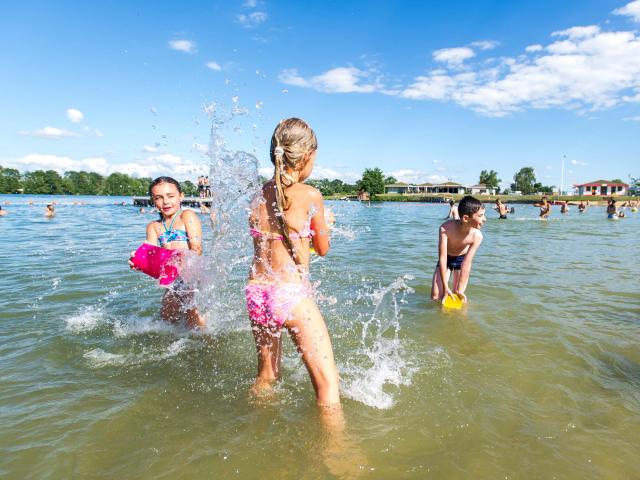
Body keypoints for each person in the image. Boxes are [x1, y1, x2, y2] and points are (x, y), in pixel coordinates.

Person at [246, 117, 340, 412]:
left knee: (267, 375)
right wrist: (325, 227)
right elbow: (322, 249)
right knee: (327, 385)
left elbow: (270, 241)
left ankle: (255, 432)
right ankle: (337, 452)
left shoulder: (256, 195)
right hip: (289, 295)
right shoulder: (311, 195)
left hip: (256, 293)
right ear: (308, 155)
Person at [129, 176, 205, 329]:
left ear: (181, 196)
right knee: (167, 316)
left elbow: (196, 248)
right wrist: (137, 260)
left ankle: (206, 340)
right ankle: (178, 344)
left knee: (191, 312)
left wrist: (184, 264)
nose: (165, 202)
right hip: (172, 277)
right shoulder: (154, 226)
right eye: (159, 198)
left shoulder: (186, 216)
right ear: (153, 200)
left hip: (190, 273)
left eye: (171, 196)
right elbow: (149, 250)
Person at [431, 195, 485, 304]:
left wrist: (460, 289)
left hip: (461, 260)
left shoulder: (477, 236)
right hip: (446, 259)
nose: (484, 219)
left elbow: (467, 263)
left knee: (458, 295)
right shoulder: (445, 229)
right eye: (481, 215)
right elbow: (442, 258)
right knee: (436, 296)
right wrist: (446, 288)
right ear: (465, 218)